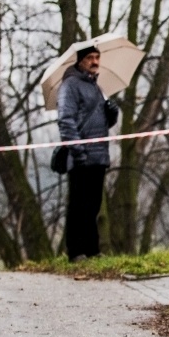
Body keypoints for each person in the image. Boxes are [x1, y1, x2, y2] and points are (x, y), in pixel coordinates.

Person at [57, 45, 118, 262]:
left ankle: (92, 250)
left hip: (99, 155)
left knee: (93, 205)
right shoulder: (70, 85)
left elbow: (101, 123)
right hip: (81, 154)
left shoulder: (95, 87)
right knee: (78, 205)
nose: (94, 61)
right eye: (90, 57)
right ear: (80, 61)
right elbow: (66, 120)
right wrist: (77, 150)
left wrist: (112, 114)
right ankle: (76, 252)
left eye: (97, 57)